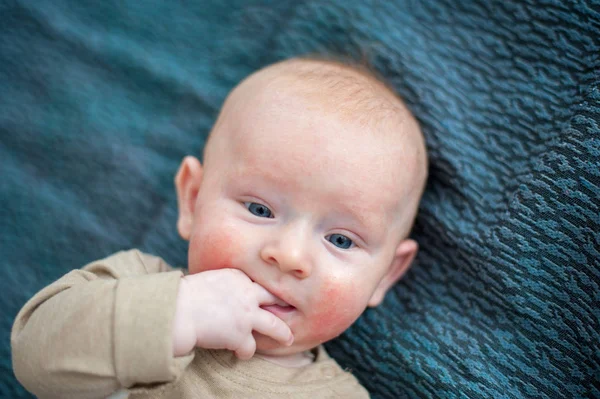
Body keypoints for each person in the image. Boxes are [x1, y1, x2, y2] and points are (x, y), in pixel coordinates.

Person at [11, 57, 428, 398]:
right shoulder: (132, 285)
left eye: (340, 239)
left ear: (386, 274)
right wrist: (177, 313)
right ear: (193, 200)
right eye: (260, 209)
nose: (289, 255)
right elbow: (34, 357)